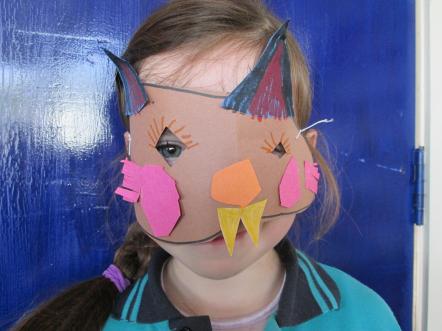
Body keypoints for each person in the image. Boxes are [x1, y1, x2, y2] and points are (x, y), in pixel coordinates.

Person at [13, 1, 402, 330]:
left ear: (308, 155)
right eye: (170, 148)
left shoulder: (366, 318)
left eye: (269, 147)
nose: (224, 195)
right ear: (131, 163)